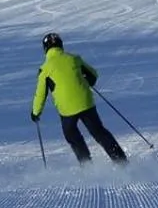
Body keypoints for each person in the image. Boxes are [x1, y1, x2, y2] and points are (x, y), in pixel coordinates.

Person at [30, 32, 126, 164]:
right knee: (99, 132)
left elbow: (40, 95)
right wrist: (87, 81)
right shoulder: (74, 59)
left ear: (45, 49)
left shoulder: (44, 70)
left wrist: (36, 113)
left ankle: (86, 165)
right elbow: (93, 75)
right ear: (61, 45)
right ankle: (121, 161)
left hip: (67, 110)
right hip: (86, 103)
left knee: (72, 135)